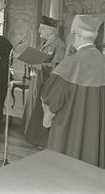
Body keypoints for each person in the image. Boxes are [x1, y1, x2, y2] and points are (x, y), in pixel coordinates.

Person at [41, 14, 105, 168]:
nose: (71, 36)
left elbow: (51, 100)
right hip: (97, 135)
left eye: (73, 33)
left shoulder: (70, 64)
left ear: (78, 35)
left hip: (68, 134)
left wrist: (46, 120)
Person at [22, 15, 66, 147]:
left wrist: (40, 66)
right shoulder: (46, 43)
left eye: (41, 28)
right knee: (35, 107)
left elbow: (58, 66)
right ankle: (32, 136)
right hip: (38, 81)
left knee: (42, 110)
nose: (39, 31)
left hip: (47, 84)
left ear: (50, 30)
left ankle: (42, 140)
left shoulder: (59, 45)